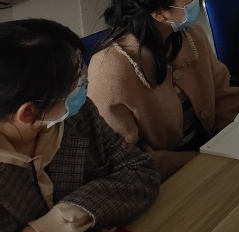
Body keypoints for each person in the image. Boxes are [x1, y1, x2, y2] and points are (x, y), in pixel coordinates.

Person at [88, 0, 239, 180]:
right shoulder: (111, 69)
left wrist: (227, 145)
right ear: (160, 12)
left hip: (214, 153)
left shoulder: (191, 36)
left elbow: (225, 95)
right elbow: (127, 158)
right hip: (163, 177)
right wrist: (201, 159)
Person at [0, 18, 159, 232]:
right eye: (74, 80)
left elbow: (141, 170)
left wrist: (62, 221)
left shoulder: (77, 115)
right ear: (28, 113)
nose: (84, 83)